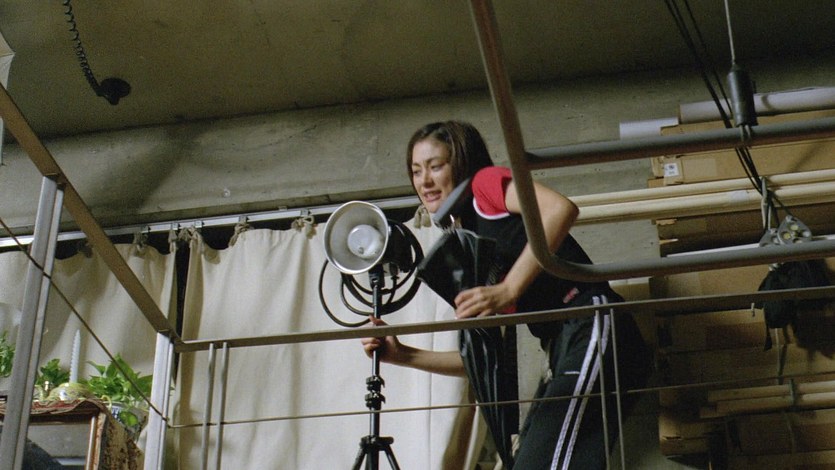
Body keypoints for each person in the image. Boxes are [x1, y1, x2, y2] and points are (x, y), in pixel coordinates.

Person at [361, 121, 651, 469]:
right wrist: (404, 355)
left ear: (461, 163)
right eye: (416, 170)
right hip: (561, 345)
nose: (425, 181)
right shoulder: (467, 243)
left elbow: (560, 209)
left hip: (592, 321)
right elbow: (484, 359)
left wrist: (509, 288)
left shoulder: (484, 186)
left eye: (435, 166)